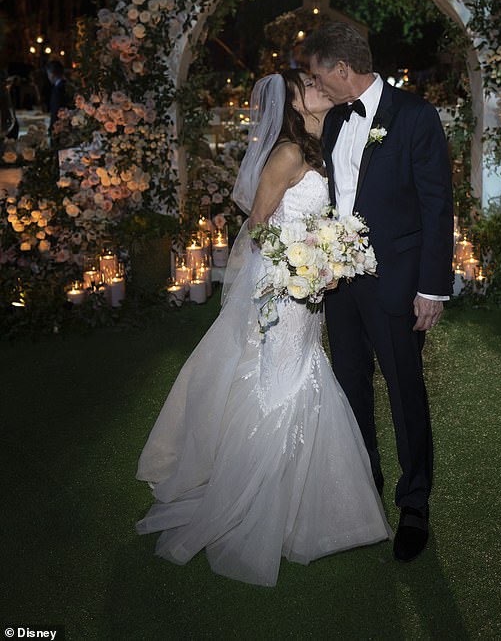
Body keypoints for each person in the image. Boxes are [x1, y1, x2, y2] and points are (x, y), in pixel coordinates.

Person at [135, 69, 391, 587]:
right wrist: (298, 268)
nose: (321, 88)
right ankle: (255, 499)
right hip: (284, 283)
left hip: (308, 280)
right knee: (281, 379)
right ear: (294, 104)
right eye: (310, 86)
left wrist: (327, 257)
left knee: (302, 371)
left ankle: (306, 502)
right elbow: (257, 224)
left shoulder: (321, 146)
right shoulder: (288, 154)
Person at [303, 23, 454, 563]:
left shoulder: (415, 115)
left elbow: (438, 207)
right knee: (350, 388)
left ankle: (415, 503)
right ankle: (362, 483)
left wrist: (432, 289)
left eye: (320, 75)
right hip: (339, 284)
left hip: (396, 283)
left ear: (343, 70)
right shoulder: (336, 119)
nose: (315, 85)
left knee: (405, 392)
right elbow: (336, 199)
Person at [45, 60, 67, 137]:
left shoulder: (58, 89)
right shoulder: (66, 85)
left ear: (51, 74)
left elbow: (56, 111)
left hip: (59, 130)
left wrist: (51, 130)